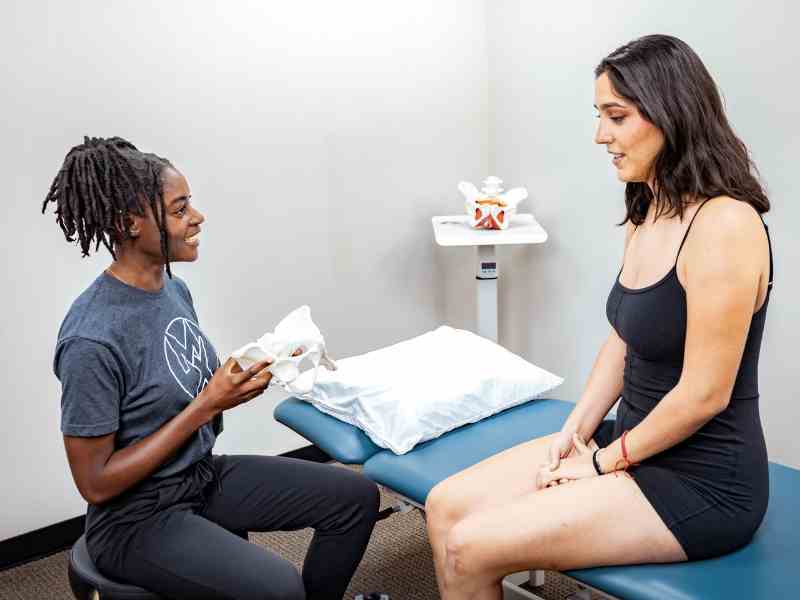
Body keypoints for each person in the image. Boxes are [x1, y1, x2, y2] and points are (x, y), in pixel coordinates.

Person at [424, 34, 773, 600]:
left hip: (702, 479)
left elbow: (704, 395)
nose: (600, 135)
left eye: (617, 116)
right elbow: (623, 338)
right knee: (445, 507)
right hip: (633, 442)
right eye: (599, 115)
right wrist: (576, 431)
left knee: (470, 546)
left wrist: (603, 462)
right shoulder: (648, 208)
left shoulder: (725, 224)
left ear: (672, 114)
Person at [43, 137, 380, 600]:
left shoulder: (172, 289)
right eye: (179, 210)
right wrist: (207, 405)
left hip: (197, 477)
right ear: (128, 223)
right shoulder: (91, 338)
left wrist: (241, 380)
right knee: (281, 588)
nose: (197, 217)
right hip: (134, 519)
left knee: (354, 498)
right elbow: (95, 483)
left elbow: (179, 393)